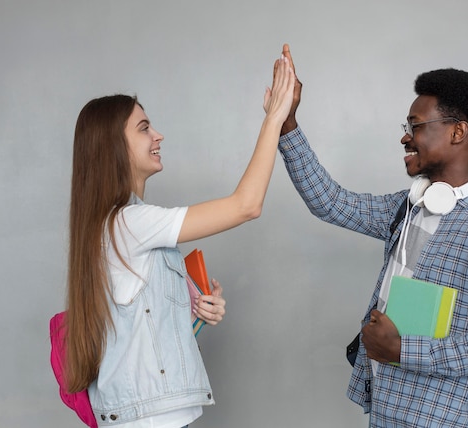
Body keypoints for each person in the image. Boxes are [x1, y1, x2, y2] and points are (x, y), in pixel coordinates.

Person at [277, 44, 468, 428]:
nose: (405, 138)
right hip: (385, 411)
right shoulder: (408, 207)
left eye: (415, 126)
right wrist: (287, 123)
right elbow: (330, 202)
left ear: (457, 131)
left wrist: (403, 349)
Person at [63, 54, 295, 427]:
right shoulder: (128, 223)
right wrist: (274, 119)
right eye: (143, 128)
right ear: (113, 147)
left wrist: (196, 312)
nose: (158, 136)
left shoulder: (126, 225)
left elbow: (141, 332)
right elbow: (245, 206)